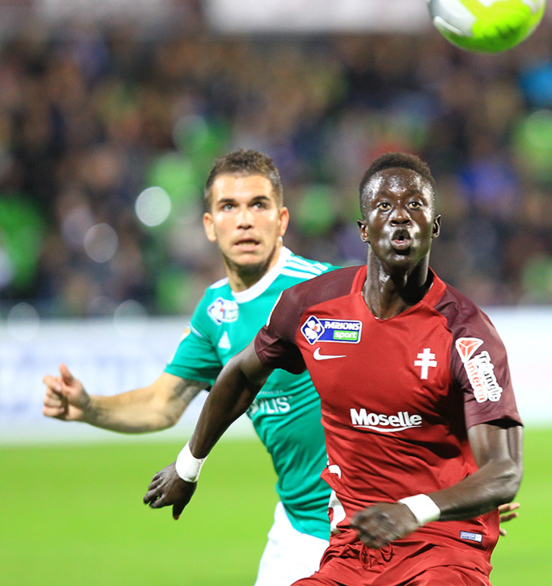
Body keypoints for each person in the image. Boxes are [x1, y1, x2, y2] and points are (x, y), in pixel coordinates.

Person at [144, 151, 524, 585]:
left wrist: (420, 507)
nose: (400, 216)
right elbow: (241, 375)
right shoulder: (312, 307)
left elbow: (505, 471)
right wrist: (188, 466)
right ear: (364, 230)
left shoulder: (467, 335)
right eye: (384, 206)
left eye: (415, 205)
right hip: (353, 549)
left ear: (434, 226)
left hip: (443, 549)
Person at [42, 149, 337, 586]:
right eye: (228, 207)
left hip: (360, 525)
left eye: (258, 205)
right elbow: (162, 404)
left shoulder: (323, 293)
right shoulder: (215, 310)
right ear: (209, 225)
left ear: (282, 220)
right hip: (296, 528)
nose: (244, 220)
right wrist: (88, 407)